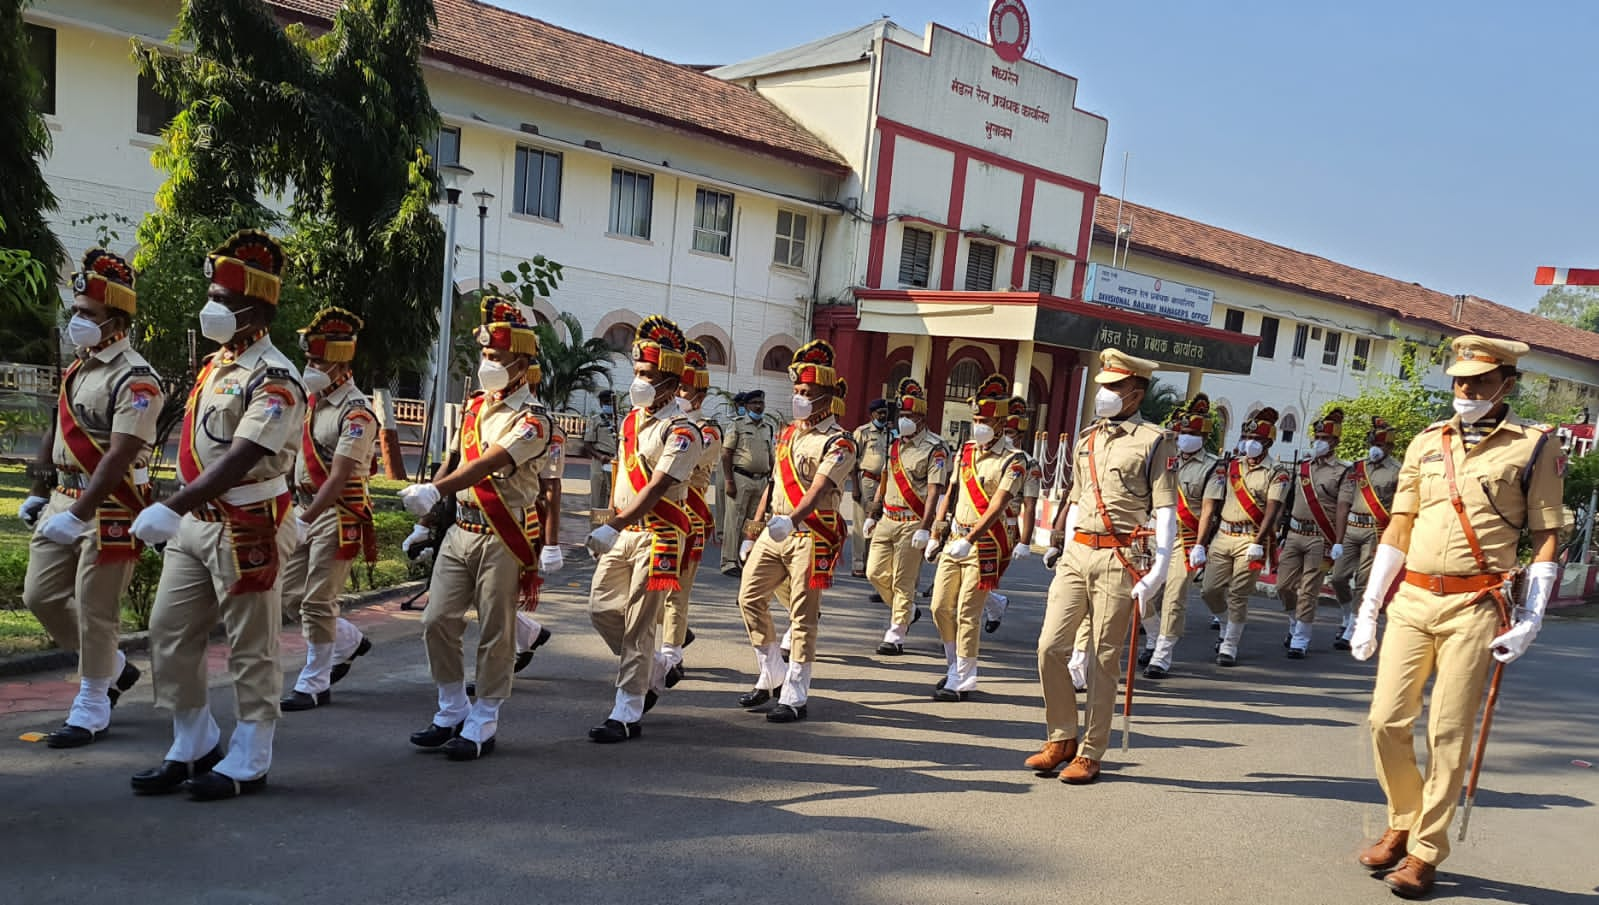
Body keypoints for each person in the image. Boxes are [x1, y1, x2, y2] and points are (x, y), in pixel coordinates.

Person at [1349, 336, 1563, 899]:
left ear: (1507, 385)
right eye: (1459, 380)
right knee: (1385, 720)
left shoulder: (1534, 446)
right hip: (1414, 598)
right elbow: (1400, 525)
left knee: (1447, 731)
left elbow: (1546, 535)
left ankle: (1424, 850)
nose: (1465, 390)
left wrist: (1532, 618)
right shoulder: (1425, 442)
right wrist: (1369, 606)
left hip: (1476, 604)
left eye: (1479, 381)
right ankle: (1402, 818)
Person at [128, 230, 306, 800]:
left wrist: (169, 506)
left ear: (259, 309)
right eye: (213, 296)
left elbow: (244, 456)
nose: (214, 309)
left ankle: (252, 751)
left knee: (251, 642)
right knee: (168, 630)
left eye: (226, 302)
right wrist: (178, 505)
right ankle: (194, 740)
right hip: (196, 521)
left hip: (247, 520)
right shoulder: (216, 366)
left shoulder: (275, 377)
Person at [398, 295, 564, 761]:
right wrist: (429, 516)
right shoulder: (474, 408)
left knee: (495, 631)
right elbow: (454, 460)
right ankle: (451, 706)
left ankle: (485, 717)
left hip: (503, 537)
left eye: (497, 357)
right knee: (437, 620)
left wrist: (437, 489)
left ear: (522, 363)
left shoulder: (534, 421)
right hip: (461, 531)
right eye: (485, 355)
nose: (488, 364)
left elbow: (492, 462)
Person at [21, 250, 162, 748]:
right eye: (76, 309)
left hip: (110, 508)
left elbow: (121, 454)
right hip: (63, 497)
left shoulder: (136, 377)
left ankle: (92, 701)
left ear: (117, 321)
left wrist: (79, 513)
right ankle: (115, 665)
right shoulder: (79, 367)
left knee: (95, 607)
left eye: (89, 313)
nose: (77, 319)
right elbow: (56, 429)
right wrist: (39, 493)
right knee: (39, 596)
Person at [1027, 350, 1176, 783]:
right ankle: (1061, 737)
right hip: (1077, 553)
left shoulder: (1154, 440)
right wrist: (1059, 541)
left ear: (1136, 392)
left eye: (1114, 387)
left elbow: (1165, 509)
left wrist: (1158, 571)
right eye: (1103, 386)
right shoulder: (1088, 438)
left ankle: (1091, 750)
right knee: (1049, 647)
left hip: (1119, 555)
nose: (1105, 394)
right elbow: (1076, 496)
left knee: (1101, 659)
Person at [584, 317, 700, 742]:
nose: (639, 381)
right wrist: (610, 521)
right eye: (636, 372)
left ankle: (627, 711)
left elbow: (658, 486)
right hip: (624, 531)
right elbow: (624, 479)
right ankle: (653, 669)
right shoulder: (632, 421)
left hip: (660, 534)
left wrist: (613, 524)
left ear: (670, 381)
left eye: (647, 375)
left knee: (638, 622)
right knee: (601, 609)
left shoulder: (683, 430)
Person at [733, 341, 855, 723]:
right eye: (797, 391)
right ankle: (772, 670)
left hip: (810, 532)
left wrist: (794, 519)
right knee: (749, 598)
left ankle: (796, 691)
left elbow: (819, 487)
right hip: (775, 528)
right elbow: (772, 483)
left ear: (826, 396)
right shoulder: (787, 434)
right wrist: (753, 530)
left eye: (806, 393)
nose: (799, 398)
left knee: (803, 615)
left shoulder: (839, 441)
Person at [278, 307, 377, 711]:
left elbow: (338, 477)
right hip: (304, 507)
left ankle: (315, 679)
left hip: (336, 513)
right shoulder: (312, 400)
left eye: (319, 360)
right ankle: (349, 640)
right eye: (310, 359)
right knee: (289, 596)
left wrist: (305, 519)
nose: (311, 366)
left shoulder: (357, 412)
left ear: (341, 362)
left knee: (318, 601)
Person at [924, 374, 1026, 702]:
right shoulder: (966, 451)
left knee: (968, 611)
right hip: (955, 536)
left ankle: (964, 677)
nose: (979, 425)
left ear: (1000, 422)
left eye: (986, 420)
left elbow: (998, 505)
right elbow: (951, 490)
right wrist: (935, 530)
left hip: (984, 543)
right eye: (977, 419)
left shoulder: (1015, 460)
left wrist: (972, 537)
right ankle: (954, 664)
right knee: (940, 606)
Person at [1191, 408, 1290, 666]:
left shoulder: (1277, 472)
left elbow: (1272, 509)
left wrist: (1259, 542)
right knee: (1209, 590)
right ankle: (1226, 624)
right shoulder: (1231, 465)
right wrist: (1203, 542)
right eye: (1247, 437)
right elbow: (1214, 502)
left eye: (1256, 439)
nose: (1250, 443)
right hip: (1223, 534)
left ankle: (1230, 644)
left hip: (1250, 538)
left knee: (1238, 594)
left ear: (1268, 443)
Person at [864, 378, 949, 655]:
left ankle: (896, 632)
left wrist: (927, 527)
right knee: (874, 572)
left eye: (909, 416)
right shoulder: (895, 444)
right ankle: (908, 609)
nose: (904, 420)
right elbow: (886, 478)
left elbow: (935, 491)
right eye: (901, 415)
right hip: (887, 518)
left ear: (922, 418)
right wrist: (873, 511)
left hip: (913, 522)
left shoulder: (935, 448)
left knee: (903, 580)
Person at [1138, 393, 1219, 678]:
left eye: (1193, 433)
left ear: (1203, 436)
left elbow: (1208, 509)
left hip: (1184, 539)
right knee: (1142, 592)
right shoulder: (1164, 457)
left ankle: (1162, 654)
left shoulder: (1212, 466)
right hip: (1153, 531)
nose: (1186, 437)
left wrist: (1200, 545)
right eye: (1183, 431)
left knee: (1173, 598)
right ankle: (1151, 636)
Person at [657, 340, 720, 682]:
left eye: (685, 388)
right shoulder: (661, 422)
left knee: (674, 592)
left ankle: (672, 654)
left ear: (699, 394)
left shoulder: (708, 430)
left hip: (687, 517)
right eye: (677, 385)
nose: (679, 393)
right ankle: (678, 632)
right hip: (653, 517)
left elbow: (688, 461)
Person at [1275, 409, 1349, 658]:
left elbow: (1341, 507)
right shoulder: (1304, 466)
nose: (1319, 442)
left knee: (1309, 589)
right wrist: (1282, 529)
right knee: (1283, 586)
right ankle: (1294, 623)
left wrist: (1338, 540)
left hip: (1320, 537)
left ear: (1335, 442)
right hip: (1295, 532)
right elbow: (1292, 499)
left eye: (1325, 438)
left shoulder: (1342, 471)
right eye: (1317, 436)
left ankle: (1301, 638)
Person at [1328, 416, 1400, 650]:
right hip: (1351, 528)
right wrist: (1338, 539)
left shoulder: (1398, 471)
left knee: (1363, 581)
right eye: (1373, 444)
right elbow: (1344, 501)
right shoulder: (1357, 468)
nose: (1375, 449)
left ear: (1389, 447)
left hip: (1376, 530)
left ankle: (1354, 628)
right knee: (1338, 578)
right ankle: (1348, 615)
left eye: (1380, 445)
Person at [983, 395, 1042, 634]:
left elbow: (1029, 504)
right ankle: (995, 604)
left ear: (1020, 436)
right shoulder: (985, 453)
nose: (1007, 435)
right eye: (1004, 429)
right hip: (976, 520)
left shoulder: (1028, 463)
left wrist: (1025, 541)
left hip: (1004, 527)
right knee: (972, 579)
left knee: (981, 577)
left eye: (1012, 433)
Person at [720, 388, 774, 576]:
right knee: (735, 520)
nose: (758, 406)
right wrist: (728, 481)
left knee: (754, 522)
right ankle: (729, 561)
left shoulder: (768, 427)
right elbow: (726, 453)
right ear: (746, 405)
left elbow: (771, 455)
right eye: (754, 403)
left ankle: (746, 558)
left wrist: (772, 481)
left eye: (761, 403)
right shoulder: (738, 425)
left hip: (761, 480)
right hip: (740, 477)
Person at [850, 397, 893, 578]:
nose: (883, 416)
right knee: (862, 522)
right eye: (879, 413)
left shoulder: (892, 434)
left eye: (885, 412)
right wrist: (855, 487)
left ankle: (872, 563)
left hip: (885, 482)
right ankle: (858, 562)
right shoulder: (863, 432)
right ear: (872, 414)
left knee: (878, 523)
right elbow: (852, 460)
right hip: (867, 481)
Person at [582, 389, 618, 527]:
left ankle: (609, 529)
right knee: (598, 497)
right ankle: (595, 532)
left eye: (611, 402)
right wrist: (600, 456)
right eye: (606, 402)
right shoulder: (595, 420)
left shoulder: (621, 420)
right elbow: (587, 444)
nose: (608, 405)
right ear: (601, 403)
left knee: (613, 497)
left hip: (615, 462)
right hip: (599, 461)